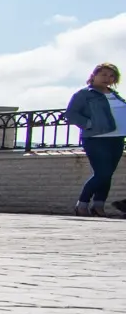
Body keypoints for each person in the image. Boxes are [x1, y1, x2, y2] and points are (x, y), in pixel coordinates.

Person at [64, 62, 125, 217]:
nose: (107, 78)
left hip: (117, 139)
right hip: (96, 138)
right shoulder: (84, 94)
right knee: (102, 173)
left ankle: (98, 206)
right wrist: (90, 124)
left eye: (111, 76)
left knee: (107, 174)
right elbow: (71, 114)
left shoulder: (115, 95)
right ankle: (82, 204)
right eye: (103, 74)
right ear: (94, 75)